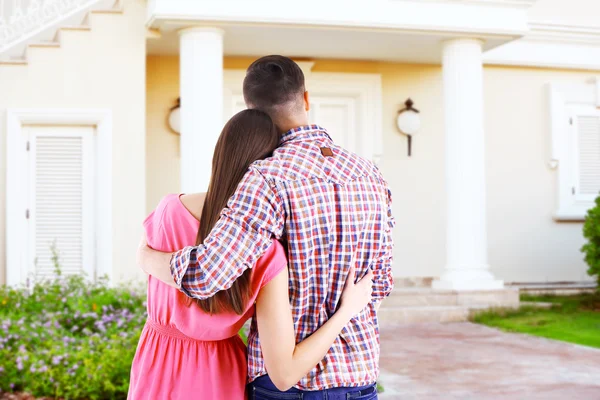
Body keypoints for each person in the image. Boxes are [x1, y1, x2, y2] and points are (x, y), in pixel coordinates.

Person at [138, 56, 395, 399]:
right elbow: (379, 283)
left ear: (253, 111)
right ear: (305, 98)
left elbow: (205, 276)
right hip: (359, 379)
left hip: (287, 388)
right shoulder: (370, 174)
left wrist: (147, 259)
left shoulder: (266, 178)